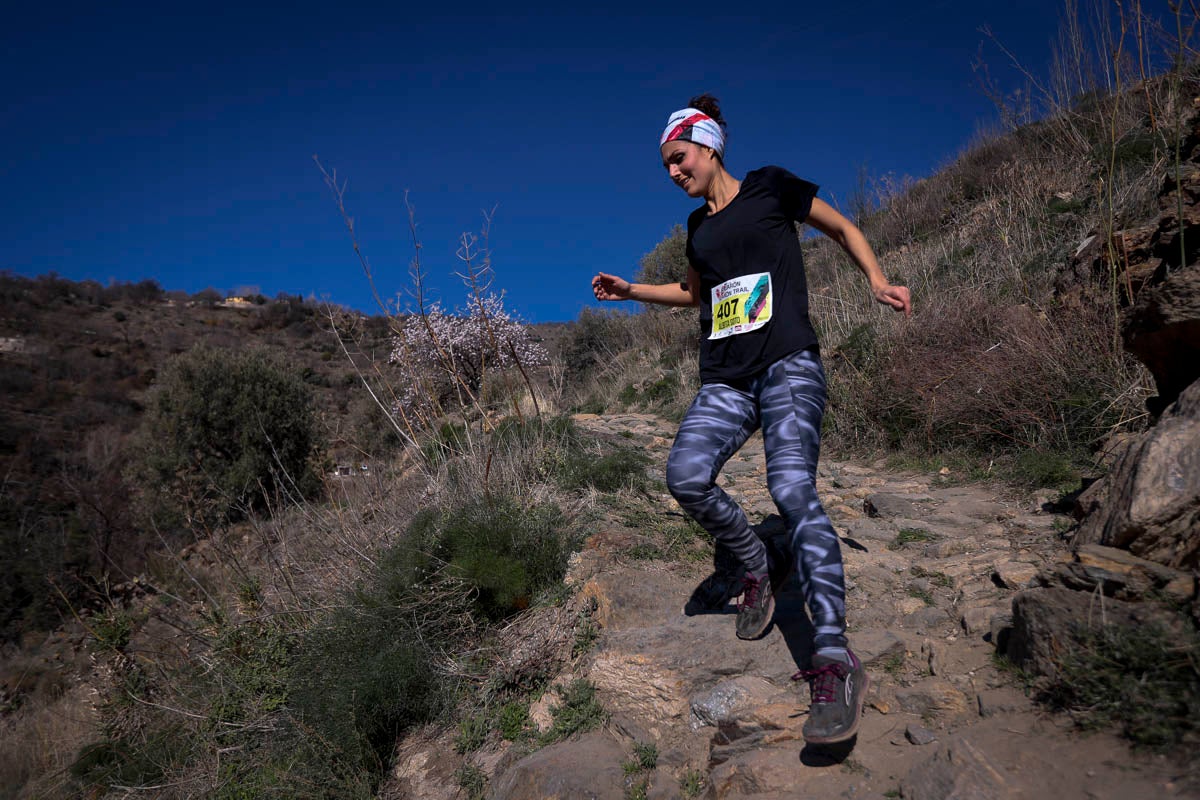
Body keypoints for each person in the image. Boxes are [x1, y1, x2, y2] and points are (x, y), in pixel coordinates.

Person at [591, 94, 911, 745]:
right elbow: (693, 294)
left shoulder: (769, 186)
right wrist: (631, 291)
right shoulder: (697, 229)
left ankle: (834, 658)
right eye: (666, 166)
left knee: (791, 489)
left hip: (788, 364)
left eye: (679, 158)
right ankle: (757, 561)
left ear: (709, 146)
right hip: (727, 379)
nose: (674, 172)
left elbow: (841, 228)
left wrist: (876, 279)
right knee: (685, 476)